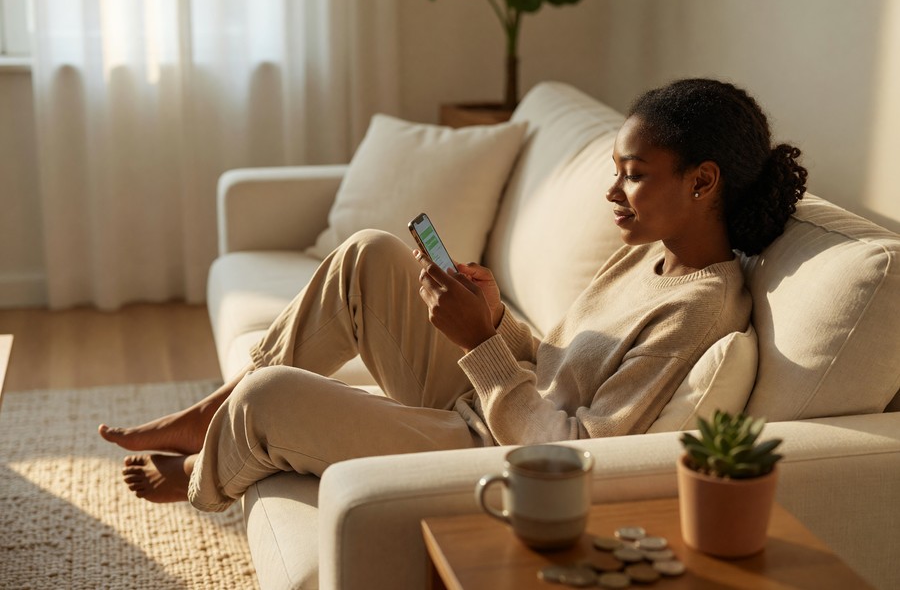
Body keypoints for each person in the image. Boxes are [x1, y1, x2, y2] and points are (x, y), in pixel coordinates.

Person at [99, 78, 807, 509]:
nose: (613, 192)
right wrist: (498, 320)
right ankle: (209, 415)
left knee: (269, 400)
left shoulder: (703, 310)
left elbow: (574, 451)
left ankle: (204, 474)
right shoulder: (652, 257)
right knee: (368, 255)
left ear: (703, 181)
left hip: (489, 450)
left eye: (633, 174)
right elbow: (560, 364)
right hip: (489, 402)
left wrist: (481, 344)